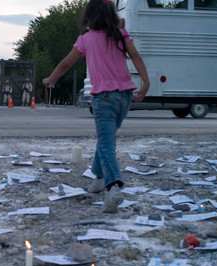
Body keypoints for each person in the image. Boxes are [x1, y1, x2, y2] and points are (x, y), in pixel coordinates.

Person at [42, 0, 149, 213]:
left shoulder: (86, 39)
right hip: (125, 97)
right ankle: (98, 179)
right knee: (105, 139)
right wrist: (145, 83)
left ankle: (114, 186)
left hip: (103, 99)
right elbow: (135, 56)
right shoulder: (120, 35)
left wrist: (51, 79)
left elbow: (65, 63)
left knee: (107, 143)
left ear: (89, 19)